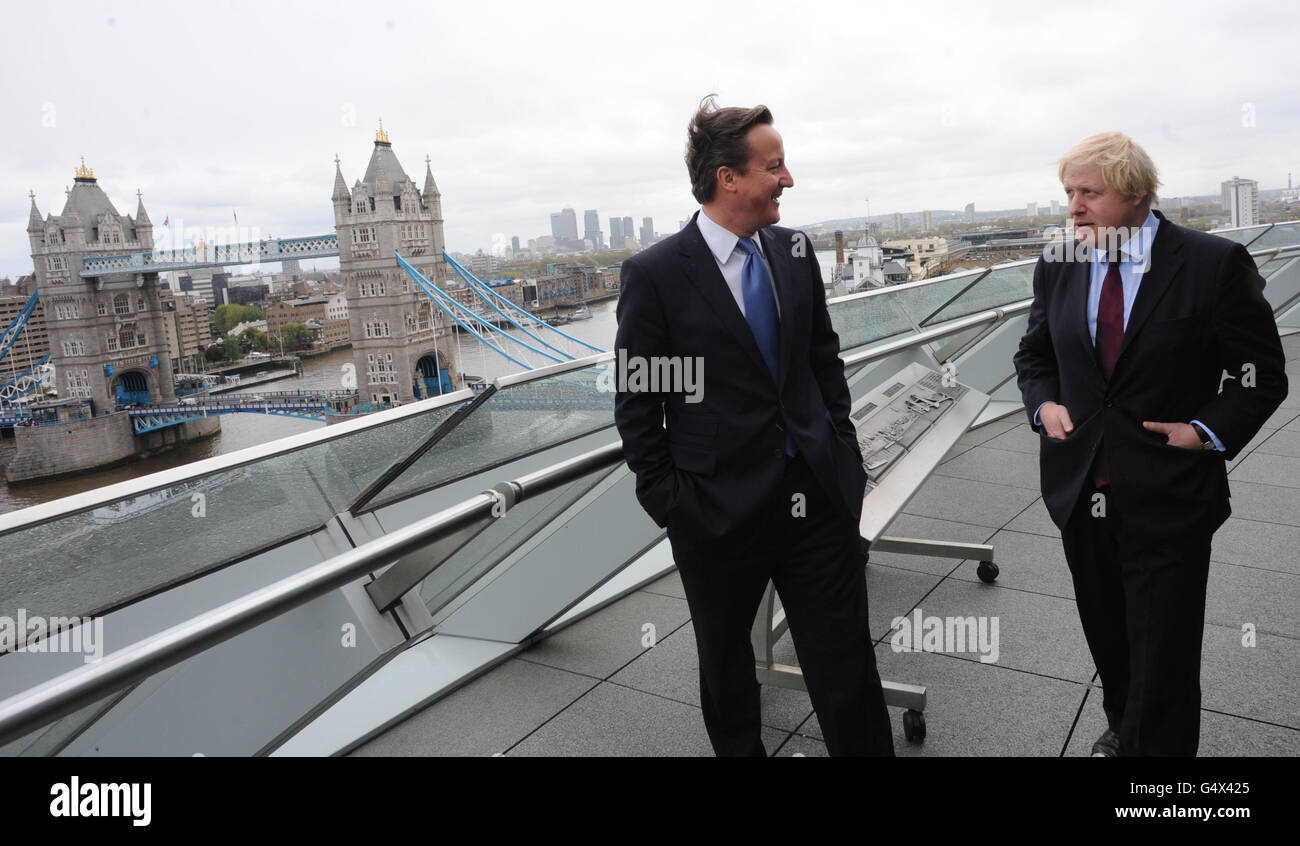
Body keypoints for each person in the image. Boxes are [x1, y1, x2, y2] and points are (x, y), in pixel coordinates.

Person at [614, 97, 894, 756]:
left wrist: (842, 458)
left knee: (847, 666)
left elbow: (824, 363)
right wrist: (674, 505)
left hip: (817, 502)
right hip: (716, 516)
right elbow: (639, 406)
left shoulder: (794, 252)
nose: (788, 179)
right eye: (775, 166)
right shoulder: (655, 276)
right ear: (728, 178)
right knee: (729, 673)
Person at [1014, 132, 1287, 756]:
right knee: (1109, 636)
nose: (1073, 207)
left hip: (1168, 491)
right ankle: (1125, 726)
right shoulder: (1059, 260)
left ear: (1136, 193)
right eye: (1068, 193)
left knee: (1163, 649)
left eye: (1089, 192)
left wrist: (1204, 431)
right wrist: (1043, 405)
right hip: (1081, 489)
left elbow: (1260, 374)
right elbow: (1034, 355)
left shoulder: (1213, 263)